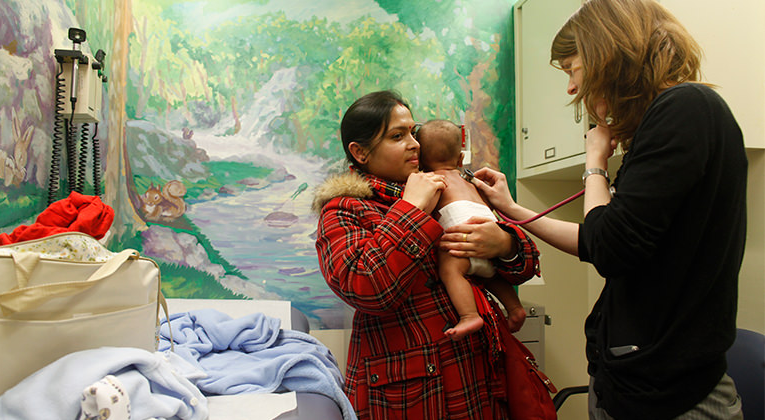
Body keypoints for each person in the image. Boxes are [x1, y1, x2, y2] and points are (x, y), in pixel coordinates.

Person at [468, 1, 748, 419]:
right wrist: (511, 208)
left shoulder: (684, 109)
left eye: (571, 68)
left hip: (668, 396)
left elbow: (606, 246)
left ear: (605, 55)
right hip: (631, 382)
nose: (570, 88)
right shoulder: (673, 117)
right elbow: (594, 237)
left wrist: (594, 163)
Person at [312, 90, 540, 419]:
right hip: (411, 396)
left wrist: (504, 244)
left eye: (412, 132)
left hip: (478, 381)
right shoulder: (343, 209)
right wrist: (411, 208)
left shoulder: (443, 186)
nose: (414, 144)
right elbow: (369, 289)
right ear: (360, 152)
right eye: (397, 136)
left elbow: (526, 265)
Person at [416, 119, 526, 340]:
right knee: (491, 274)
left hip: (462, 240)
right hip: (488, 231)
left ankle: (469, 316)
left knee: (451, 270)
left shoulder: (432, 181)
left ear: (420, 161)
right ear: (460, 158)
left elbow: (424, 215)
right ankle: (515, 308)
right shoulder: (471, 182)